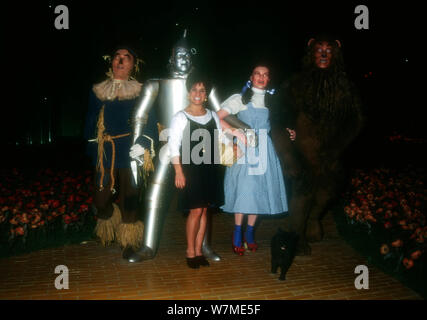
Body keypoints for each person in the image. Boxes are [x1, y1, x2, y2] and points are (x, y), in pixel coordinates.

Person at [126, 30, 253, 263]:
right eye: (178, 54)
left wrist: (245, 129)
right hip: (170, 145)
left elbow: (220, 114)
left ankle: (203, 247)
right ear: (170, 57)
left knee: (203, 204)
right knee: (155, 193)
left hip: (204, 154)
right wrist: (136, 144)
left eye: (187, 55)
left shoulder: (205, 86)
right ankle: (148, 245)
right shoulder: (156, 84)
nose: (182, 59)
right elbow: (140, 116)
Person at [84, 45, 158, 260]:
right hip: (106, 149)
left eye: (127, 57)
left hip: (131, 148)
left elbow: (151, 121)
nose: (121, 60)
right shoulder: (98, 90)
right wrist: (91, 147)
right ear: (112, 61)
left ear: (134, 65)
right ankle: (110, 219)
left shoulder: (141, 90)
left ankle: (128, 241)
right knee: (100, 199)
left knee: (130, 197)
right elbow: (90, 120)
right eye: (117, 56)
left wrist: (144, 142)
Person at [217, 64, 294, 255]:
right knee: (244, 190)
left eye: (265, 75)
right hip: (244, 149)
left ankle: (249, 234)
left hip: (265, 150)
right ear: (251, 77)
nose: (261, 77)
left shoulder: (273, 101)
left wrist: (288, 132)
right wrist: (236, 133)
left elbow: (276, 125)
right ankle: (237, 233)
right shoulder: (240, 98)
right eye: (257, 74)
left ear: (269, 79)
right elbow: (217, 117)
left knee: (258, 191)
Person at [168, 74, 228, 268]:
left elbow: (221, 140)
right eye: (194, 89)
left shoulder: (212, 115)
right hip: (190, 170)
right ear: (188, 93)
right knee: (195, 210)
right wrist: (178, 171)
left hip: (210, 169)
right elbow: (173, 147)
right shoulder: (180, 117)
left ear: (206, 95)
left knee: (204, 211)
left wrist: (236, 146)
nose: (197, 93)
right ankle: (190, 251)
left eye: (202, 90)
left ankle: (200, 251)